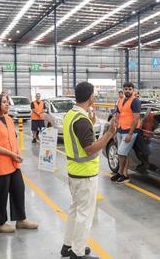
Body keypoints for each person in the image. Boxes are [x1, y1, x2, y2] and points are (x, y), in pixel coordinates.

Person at [61, 82, 117, 259]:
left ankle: (68, 246)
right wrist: (109, 134)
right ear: (91, 97)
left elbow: (81, 139)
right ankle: (77, 253)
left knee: (75, 210)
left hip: (74, 171)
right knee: (85, 214)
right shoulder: (82, 120)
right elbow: (90, 149)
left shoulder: (72, 114)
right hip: (85, 174)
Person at [0, 93, 39, 234]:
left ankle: (21, 220)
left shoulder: (8, 119)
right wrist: (12, 154)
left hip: (13, 164)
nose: (8, 104)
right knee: (0, 195)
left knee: (18, 190)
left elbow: (12, 139)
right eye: (4, 102)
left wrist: (17, 153)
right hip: (0, 165)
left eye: (7, 102)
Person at [110, 82, 141, 184]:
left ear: (133, 90)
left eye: (130, 89)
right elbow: (118, 115)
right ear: (123, 89)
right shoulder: (120, 100)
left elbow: (136, 118)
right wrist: (115, 130)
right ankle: (124, 174)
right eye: (126, 89)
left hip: (130, 131)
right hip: (120, 129)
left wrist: (130, 134)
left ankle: (122, 173)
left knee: (121, 152)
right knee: (123, 153)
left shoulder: (135, 101)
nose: (127, 91)